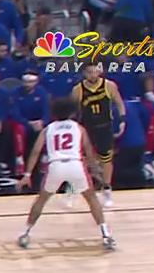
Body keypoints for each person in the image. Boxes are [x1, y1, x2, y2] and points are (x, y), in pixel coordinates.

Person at [17, 97, 113, 250]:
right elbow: (89, 151)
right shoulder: (78, 128)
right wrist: (95, 170)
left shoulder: (48, 129)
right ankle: (106, 235)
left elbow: (35, 151)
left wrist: (27, 174)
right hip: (75, 165)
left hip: (55, 166)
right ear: (72, 112)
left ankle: (25, 233)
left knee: (41, 200)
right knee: (92, 199)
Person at [71, 62, 125, 208]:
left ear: (99, 71)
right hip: (86, 129)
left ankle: (106, 189)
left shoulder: (109, 85)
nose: (93, 75)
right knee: (80, 161)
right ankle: (74, 189)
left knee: (106, 159)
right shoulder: (78, 89)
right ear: (84, 73)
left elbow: (119, 103)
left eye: (95, 71)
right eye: (89, 72)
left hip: (104, 127)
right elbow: (72, 110)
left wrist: (122, 120)